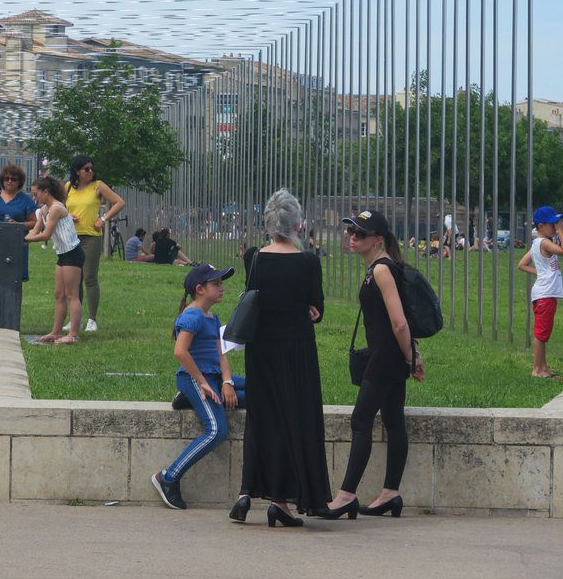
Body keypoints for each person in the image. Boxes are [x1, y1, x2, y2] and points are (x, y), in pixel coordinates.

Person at [229, 188, 329, 527]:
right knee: (294, 419)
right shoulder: (308, 262)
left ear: (269, 223)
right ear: (298, 223)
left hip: (262, 348)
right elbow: (316, 308)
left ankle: (246, 490)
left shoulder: (254, 257)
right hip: (296, 348)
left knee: (262, 416)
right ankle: (281, 500)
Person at [322, 210, 425, 520]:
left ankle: (345, 495)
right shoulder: (379, 267)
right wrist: (411, 356)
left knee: (361, 420)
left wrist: (410, 357)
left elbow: (399, 322)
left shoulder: (381, 270)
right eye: (351, 232)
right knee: (393, 421)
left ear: (378, 240)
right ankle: (390, 493)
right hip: (391, 356)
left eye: (360, 234)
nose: (352, 238)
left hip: (386, 357)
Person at [151, 263, 246, 510]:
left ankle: (189, 398)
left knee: (261, 389)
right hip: (194, 377)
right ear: (200, 289)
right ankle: (168, 477)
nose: (222, 288)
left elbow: (221, 354)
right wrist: (203, 384)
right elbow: (180, 352)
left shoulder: (212, 316)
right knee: (216, 431)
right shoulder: (192, 315)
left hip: (215, 376)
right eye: (217, 284)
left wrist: (227, 383)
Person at [64, 155, 125, 332]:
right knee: (75, 280)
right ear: (77, 171)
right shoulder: (68, 187)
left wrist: (103, 219)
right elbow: (59, 207)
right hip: (71, 237)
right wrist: (68, 216)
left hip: (91, 237)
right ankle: (77, 319)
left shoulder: (98, 186)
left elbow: (119, 202)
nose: (90, 172)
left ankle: (92, 319)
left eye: (91, 168)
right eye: (86, 169)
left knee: (90, 277)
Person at [24, 176, 82, 344]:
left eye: (36, 194)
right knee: (59, 295)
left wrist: (27, 240)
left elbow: (46, 234)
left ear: (46, 192)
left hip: (73, 253)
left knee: (72, 295)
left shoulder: (56, 208)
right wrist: (22, 238)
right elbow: (35, 230)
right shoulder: (43, 210)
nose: (34, 198)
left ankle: (73, 334)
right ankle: (56, 332)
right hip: (63, 254)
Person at [517, 205, 563, 378]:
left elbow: (522, 264)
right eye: (552, 224)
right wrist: (562, 232)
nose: (555, 226)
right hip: (545, 294)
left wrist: (541, 273)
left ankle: (543, 367)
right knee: (540, 334)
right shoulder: (544, 242)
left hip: (545, 292)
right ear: (541, 226)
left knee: (544, 332)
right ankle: (536, 369)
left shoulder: (536, 243)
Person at [0, 163, 38, 281]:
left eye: (13, 179)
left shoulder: (25, 200)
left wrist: (19, 225)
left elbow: (34, 223)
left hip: (16, 245)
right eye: (6, 178)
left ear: (19, 182)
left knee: (14, 279)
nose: (9, 181)